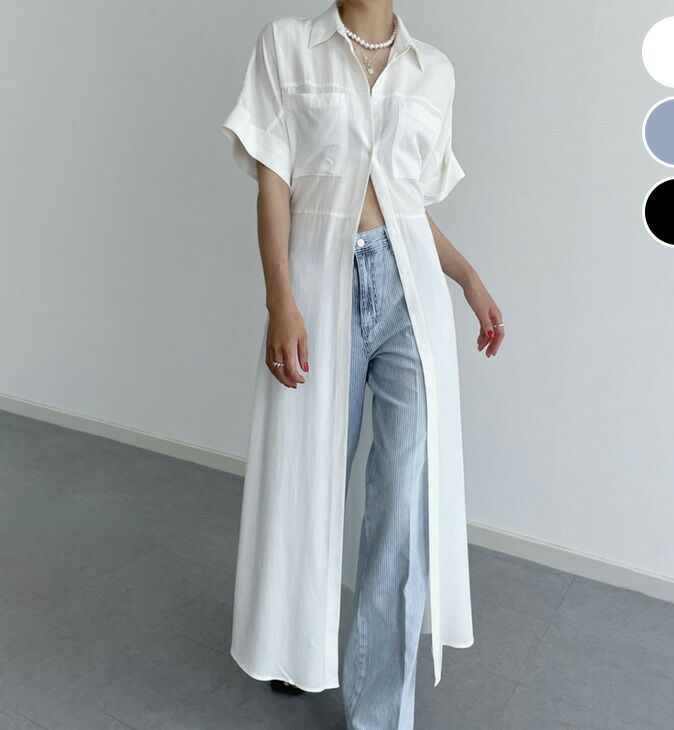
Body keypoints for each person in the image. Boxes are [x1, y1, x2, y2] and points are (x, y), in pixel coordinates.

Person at [221, 1, 505, 727]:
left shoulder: (433, 71)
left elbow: (405, 202)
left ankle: (380, 711)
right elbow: (275, 181)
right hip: (321, 289)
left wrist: (468, 278)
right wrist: (280, 299)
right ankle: (297, 650)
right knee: (308, 480)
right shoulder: (288, 45)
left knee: (404, 504)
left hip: (412, 296)